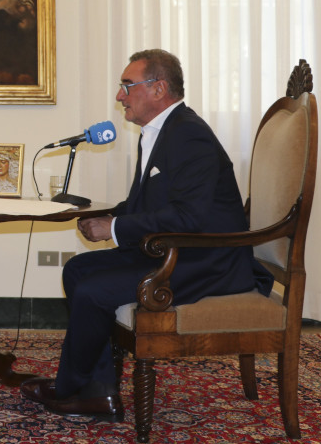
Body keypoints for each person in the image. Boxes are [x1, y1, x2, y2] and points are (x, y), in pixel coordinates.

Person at [21, 50, 274, 420]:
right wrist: (107, 215)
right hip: (176, 250)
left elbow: (190, 216)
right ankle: (98, 389)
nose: (120, 96)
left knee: (94, 290)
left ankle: (73, 389)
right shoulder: (160, 131)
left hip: (207, 260)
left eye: (127, 85)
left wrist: (114, 228)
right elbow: (147, 202)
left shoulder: (189, 135)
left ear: (158, 88)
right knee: (77, 270)